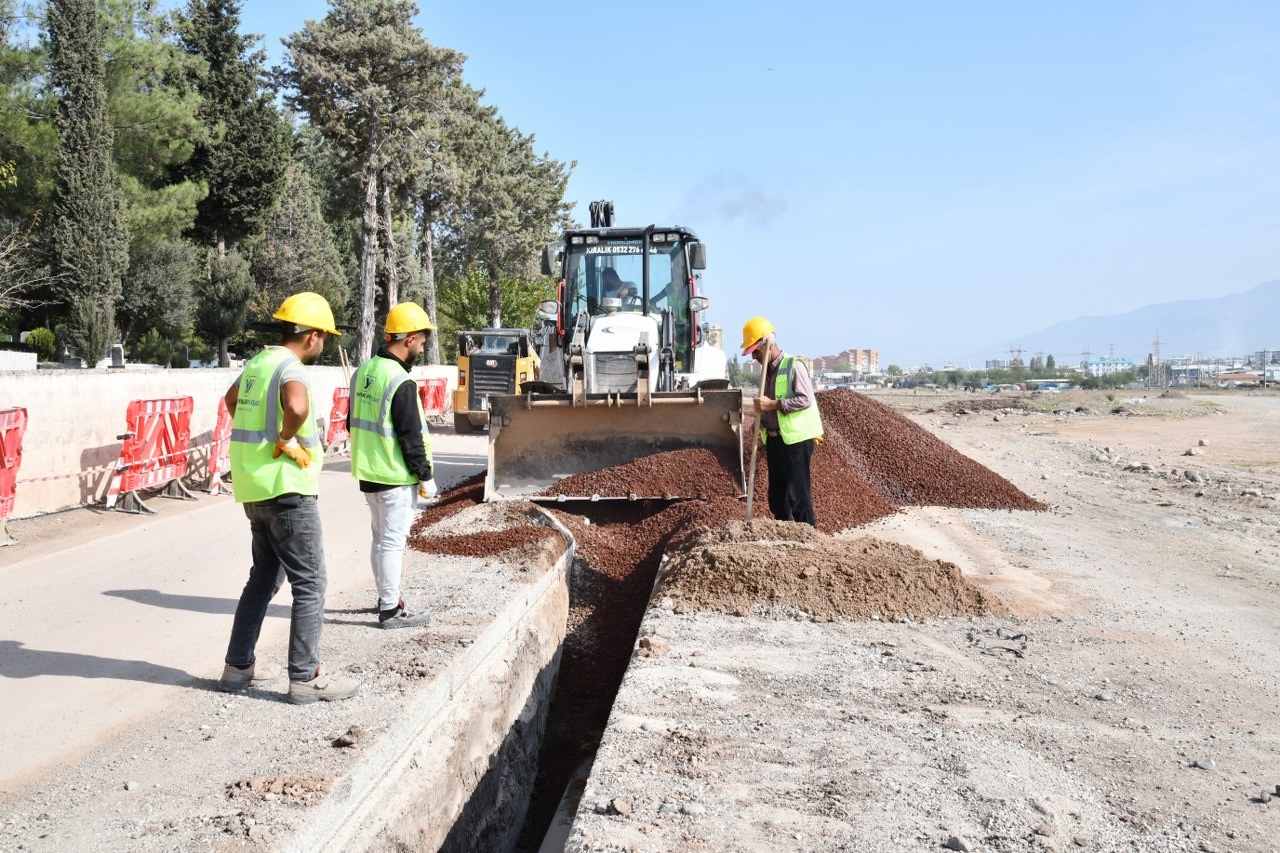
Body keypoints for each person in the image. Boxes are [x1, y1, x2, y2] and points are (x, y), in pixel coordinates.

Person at [219, 292, 360, 704]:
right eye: (325, 338)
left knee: (262, 579)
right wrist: (283, 438)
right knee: (311, 583)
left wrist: (263, 444)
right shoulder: (289, 368)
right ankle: (304, 678)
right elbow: (296, 406)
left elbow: (229, 402)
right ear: (312, 335)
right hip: (288, 492)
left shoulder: (258, 364)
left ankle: (237, 667)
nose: (324, 345)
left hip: (255, 491)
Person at [348, 302, 437, 629]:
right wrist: (424, 475)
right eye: (423, 341)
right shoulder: (400, 381)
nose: (423, 347)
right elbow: (410, 435)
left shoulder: (364, 372)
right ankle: (389, 609)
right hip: (394, 476)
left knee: (379, 538)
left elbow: (350, 423)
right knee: (392, 542)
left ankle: (386, 597)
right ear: (409, 339)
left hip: (369, 474)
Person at [742, 316, 823, 527]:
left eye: (756, 352)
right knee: (777, 499)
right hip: (775, 440)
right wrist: (759, 423)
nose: (755, 358)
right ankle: (785, 536)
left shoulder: (793, 365)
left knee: (798, 496)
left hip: (795, 440)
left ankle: (809, 539)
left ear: (765, 345)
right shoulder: (767, 372)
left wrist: (772, 405)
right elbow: (766, 406)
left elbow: (805, 399)